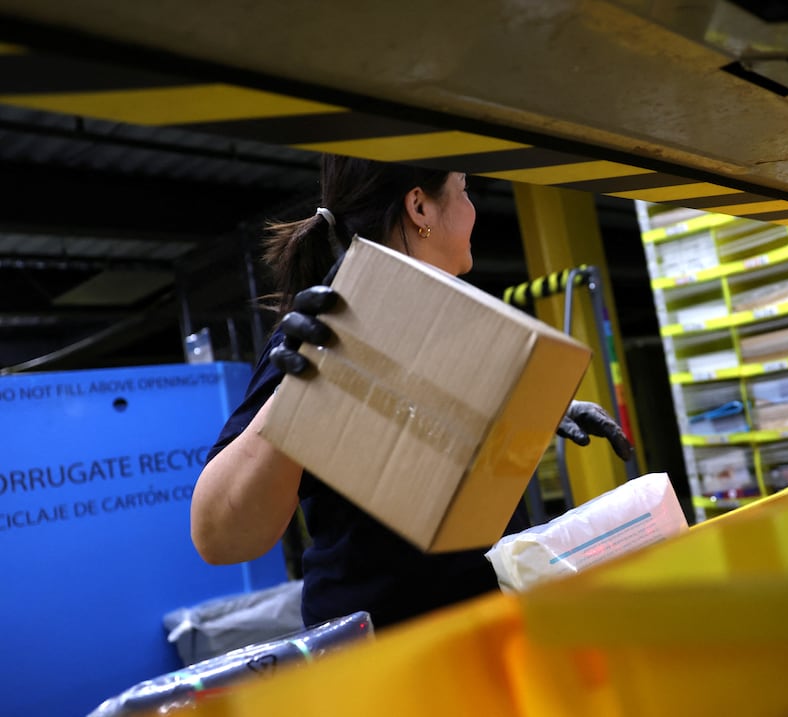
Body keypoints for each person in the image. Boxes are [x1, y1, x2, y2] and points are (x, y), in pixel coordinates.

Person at [191, 155, 633, 630]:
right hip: (388, 647)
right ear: (420, 207)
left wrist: (525, 411)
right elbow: (218, 536)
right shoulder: (323, 335)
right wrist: (299, 388)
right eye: (463, 189)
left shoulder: (455, 331)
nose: (472, 210)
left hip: (482, 631)